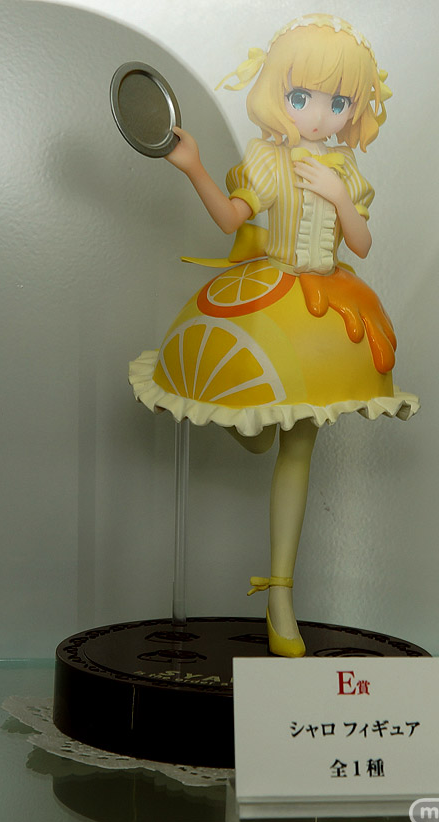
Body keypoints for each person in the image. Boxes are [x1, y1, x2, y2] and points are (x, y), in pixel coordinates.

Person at [129, 14, 419, 657]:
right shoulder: (267, 159)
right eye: (302, 96)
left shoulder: (346, 170)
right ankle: (243, 425)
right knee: (261, 428)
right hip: (272, 296)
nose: (318, 115)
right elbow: (230, 217)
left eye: (337, 103)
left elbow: (362, 244)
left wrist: (338, 197)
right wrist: (193, 167)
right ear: (277, 93)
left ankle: (280, 594)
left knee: (300, 444)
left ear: (354, 109)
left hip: (325, 309)